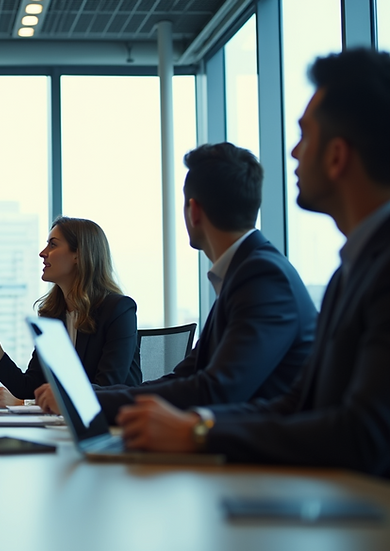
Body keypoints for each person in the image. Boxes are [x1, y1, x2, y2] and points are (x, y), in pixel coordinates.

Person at [117, 49, 390, 477]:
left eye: (305, 135)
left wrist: (199, 433)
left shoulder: (271, 275)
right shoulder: (348, 272)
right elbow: (295, 405)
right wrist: (194, 427)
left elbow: (363, 433)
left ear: (337, 156)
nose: (294, 152)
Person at [42, 143, 318, 421]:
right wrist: (83, 398)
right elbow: (185, 376)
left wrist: (83, 399)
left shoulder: (261, 276)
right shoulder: (247, 272)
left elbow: (216, 391)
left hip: (263, 454)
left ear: (193, 211)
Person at [0, 217, 142, 408]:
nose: (42, 253)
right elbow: (30, 386)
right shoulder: (53, 317)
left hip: (113, 428)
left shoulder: (119, 310)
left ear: (78, 254)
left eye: (53, 245)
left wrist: (24, 404)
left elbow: (107, 388)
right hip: (66, 426)